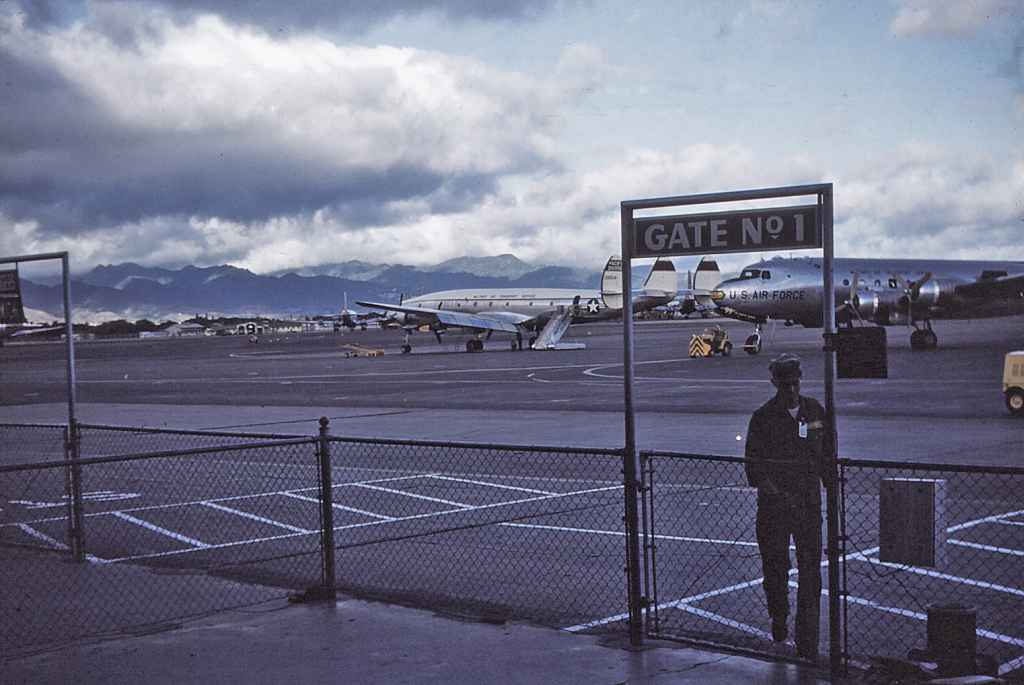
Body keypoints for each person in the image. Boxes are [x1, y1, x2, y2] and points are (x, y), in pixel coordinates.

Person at [744, 353, 835, 660]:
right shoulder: (763, 417)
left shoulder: (814, 411)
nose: (791, 390)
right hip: (775, 508)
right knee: (775, 567)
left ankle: (807, 638)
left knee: (811, 571)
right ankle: (779, 616)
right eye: (785, 385)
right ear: (775, 384)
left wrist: (830, 488)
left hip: (808, 504)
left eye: (795, 383)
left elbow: (827, 453)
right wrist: (776, 493)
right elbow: (754, 466)